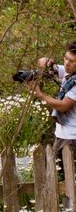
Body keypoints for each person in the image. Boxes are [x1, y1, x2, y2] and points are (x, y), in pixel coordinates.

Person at [27, 41, 76, 178]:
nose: (67, 63)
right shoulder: (68, 73)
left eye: (71, 61)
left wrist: (40, 95)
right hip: (61, 136)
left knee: (71, 182)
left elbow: (63, 105)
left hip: (73, 139)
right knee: (59, 180)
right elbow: (45, 65)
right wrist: (46, 62)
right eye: (65, 58)